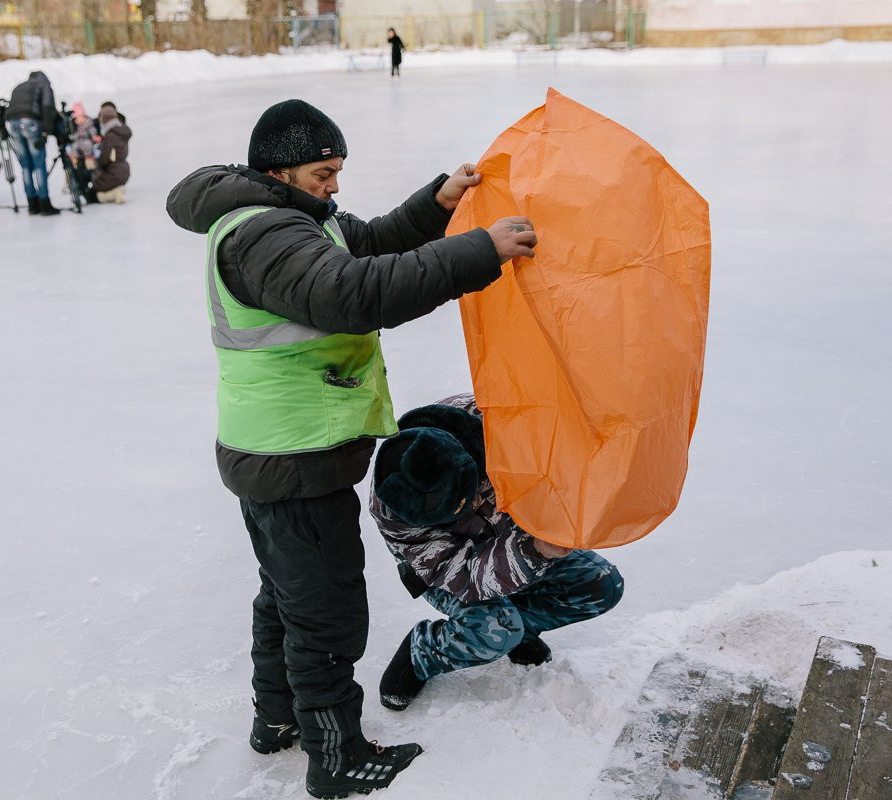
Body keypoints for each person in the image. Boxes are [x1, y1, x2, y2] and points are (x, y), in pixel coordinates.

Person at [166, 98, 537, 799]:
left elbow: (369, 244)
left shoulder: (297, 218)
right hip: (293, 457)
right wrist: (480, 251)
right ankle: (335, 759)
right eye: (322, 173)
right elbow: (353, 292)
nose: (334, 186)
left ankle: (277, 722)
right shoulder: (263, 236)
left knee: (287, 597)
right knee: (327, 614)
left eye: (337, 172)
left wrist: (438, 202)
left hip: (283, 448)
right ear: (278, 169)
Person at [370, 395, 625, 711]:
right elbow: (466, 578)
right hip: (454, 569)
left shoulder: (500, 420)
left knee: (601, 585)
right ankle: (422, 653)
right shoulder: (397, 512)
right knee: (496, 628)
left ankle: (519, 630)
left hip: (515, 534)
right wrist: (534, 551)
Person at [6, 71, 59, 216]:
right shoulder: (44, 86)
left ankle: (32, 204)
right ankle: (44, 203)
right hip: (30, 123)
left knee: (25, 165)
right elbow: (48, 108)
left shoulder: (19, 86)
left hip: (13, 123)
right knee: (38, 164)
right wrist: (45, 132)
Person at [90, 105, 132, 204]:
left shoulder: (110, 136)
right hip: (124, 171)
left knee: (93, 195)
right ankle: (116, 190)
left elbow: (104, 159)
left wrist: (96, 168)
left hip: (113, 174)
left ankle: (114, 193)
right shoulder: (121, 132)